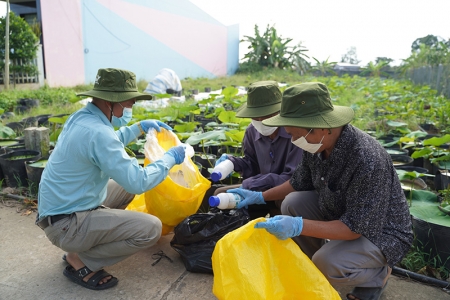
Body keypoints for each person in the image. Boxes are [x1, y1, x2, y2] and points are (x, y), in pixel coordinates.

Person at [228, 82, 413, 300]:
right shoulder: (315, 144)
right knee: (291, 202)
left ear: (323, 128)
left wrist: (299, 226)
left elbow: (354, 228)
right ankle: (314, 265)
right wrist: (259, 196)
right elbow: (297, 182)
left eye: (296, 135)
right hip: (341, 212)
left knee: (327, 263)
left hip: (379, 231)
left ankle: (377, 275)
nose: (294, 141)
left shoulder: (366, 158)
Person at [36, 68, 186, 290]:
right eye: (129, 102)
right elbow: (139, 181)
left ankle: (86, 240)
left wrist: (138, 128)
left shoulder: (83, 118)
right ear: (111, 102)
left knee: (124, 189)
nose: (131, 107)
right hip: (66, 224)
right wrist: (168, 159)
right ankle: (81, 260)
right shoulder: (98, 133)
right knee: (150, 229)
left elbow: (107, 143)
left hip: (57, 211)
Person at [213, 80, 303, 218]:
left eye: (267, 115)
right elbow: (252, 165)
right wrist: (233, 163)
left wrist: (257, 183)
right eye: (256, 116)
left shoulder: (295, 134)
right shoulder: (251, 131)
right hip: (259, 189)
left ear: (280, 112)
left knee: (287, 201)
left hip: (287, 191)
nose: (261, 120)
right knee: (220, 194)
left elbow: (294, 179)